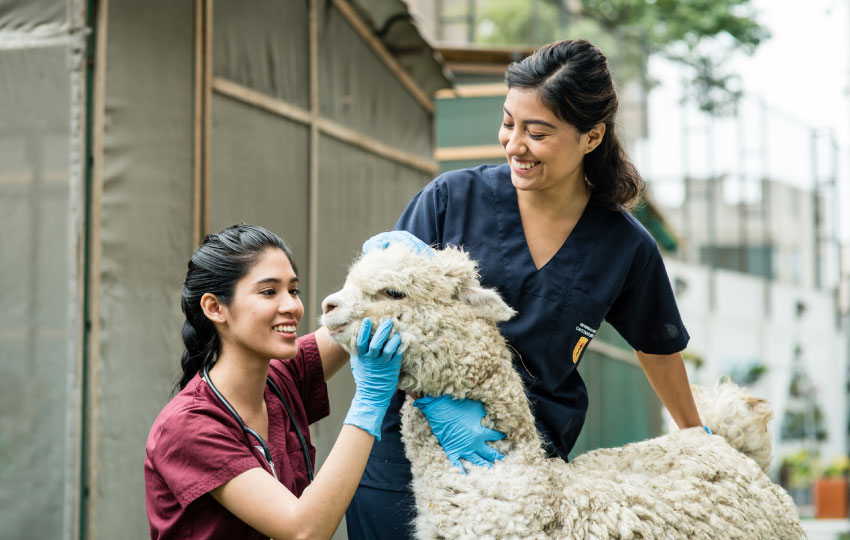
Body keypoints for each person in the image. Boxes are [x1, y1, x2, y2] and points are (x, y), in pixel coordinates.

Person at [346, 38, 709, 540]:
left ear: (591, 136)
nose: (515, 144)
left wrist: (698, 438)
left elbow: (658, 345)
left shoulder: (623, 246)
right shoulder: (451, 200)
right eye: (508, 123)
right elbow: (367, 310)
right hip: (404, 464)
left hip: (524, 469)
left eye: (537, 132)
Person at [144, 224, 403, 540]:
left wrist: (388, 265)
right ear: (215, 308)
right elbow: (303, 530)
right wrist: (369, 401)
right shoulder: (189, 427)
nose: (292, 306)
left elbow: (356, 317)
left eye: (293, 290)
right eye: (269, 292)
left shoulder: (280, 378)